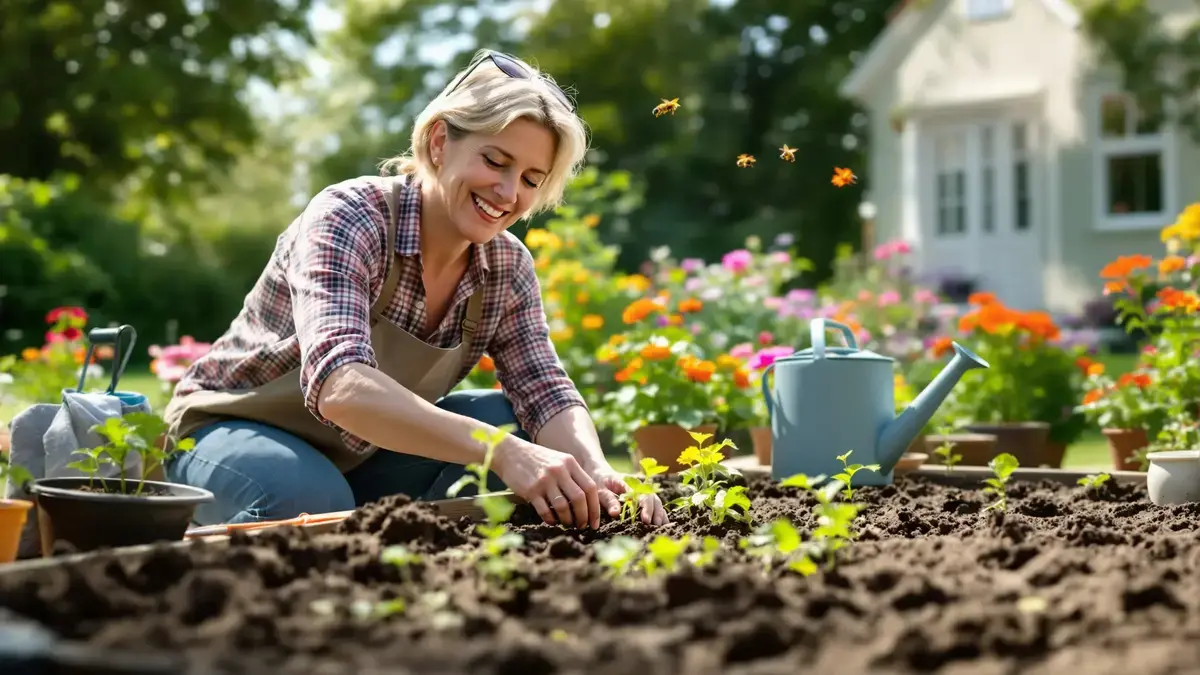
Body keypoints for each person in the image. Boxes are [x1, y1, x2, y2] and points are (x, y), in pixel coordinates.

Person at [161, 50, 667, 530]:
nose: (509, 193)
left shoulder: (506, 267)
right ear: (440, 142)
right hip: (227, 430)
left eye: (532, 178)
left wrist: (597, 471)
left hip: (359, 455)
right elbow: (341, 386)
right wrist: (503, 453)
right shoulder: (350, 218)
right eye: (495, 161)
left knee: (519, 424)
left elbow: (544, 388)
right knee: (307, 501)